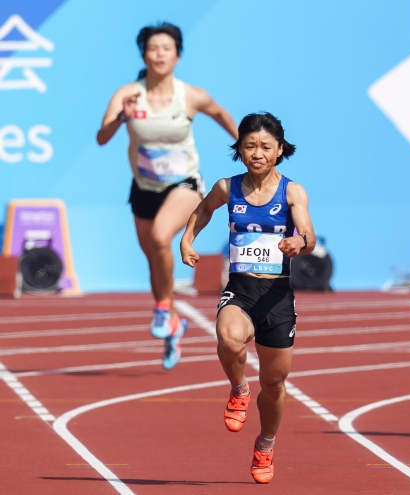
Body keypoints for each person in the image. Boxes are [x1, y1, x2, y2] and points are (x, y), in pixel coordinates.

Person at [180, 112, 316, 483]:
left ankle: (266, 444)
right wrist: (187, 238)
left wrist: (298, 242)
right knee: (227, 337)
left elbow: (309, 235)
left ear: (279, 151)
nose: (256, 153)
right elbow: (204, 209)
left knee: (273, 385)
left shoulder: (292, 192)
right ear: (239, 149)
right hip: (240, 289)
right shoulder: (229, 187)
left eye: (265, 147)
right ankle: (239, 389)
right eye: (249, 146)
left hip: (276, 297)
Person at [96, 22, 238, 370]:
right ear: (144, 54)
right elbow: (102, 137)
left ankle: (162, 309)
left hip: (185, 184)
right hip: (144, 189)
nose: (159, 54)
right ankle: (173, 322)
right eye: (153, 48)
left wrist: (246, 149)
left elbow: (220, 113)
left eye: (166, 48)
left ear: (177, 55)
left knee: (162, 237)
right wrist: (121, 118)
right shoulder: (127, 94)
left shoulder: (189, 95)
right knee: (155, 259)